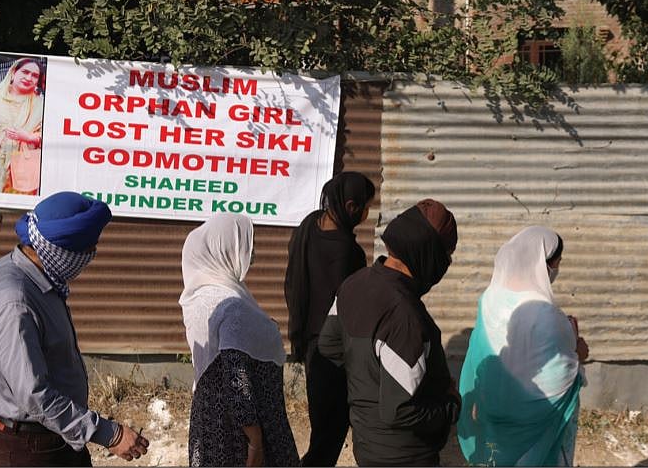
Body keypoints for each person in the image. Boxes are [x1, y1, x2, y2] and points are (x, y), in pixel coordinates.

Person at [0, 191, 149, 466]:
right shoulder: (15, 300)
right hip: (30, 450)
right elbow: (34, 395)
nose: (91, 256)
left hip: (54, 439)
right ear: (60, 253)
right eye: (86, 251)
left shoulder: (31, 276)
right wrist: (109, 434)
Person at [318, 199, 460, 467]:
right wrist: (450, 404)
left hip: (367, 444)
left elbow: (328, 345)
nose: (448, 263)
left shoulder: (353, 285)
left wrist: (368, 380)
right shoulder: (404, 316)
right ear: (427, 252)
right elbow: (399, 410)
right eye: (447, 254)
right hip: (405, 457)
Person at [458, 226, 588, 467]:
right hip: (535, 424)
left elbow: (480, 350)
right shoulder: (547, 315)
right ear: (544, 264)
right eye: (557, 263)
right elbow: (562, 370)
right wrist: (578, 352)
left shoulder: (489, 298)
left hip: (493, 406)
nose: (557, 270)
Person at [180, 213, 300, 467]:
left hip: (209, 422)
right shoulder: (231, 306)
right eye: (246, 244)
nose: (251, 252)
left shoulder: (201, 297)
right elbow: (237, 378)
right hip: (239, 436)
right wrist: (256, 442)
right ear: (224, 249)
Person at [283, 171, 376, 466]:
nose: (366, 213)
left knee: (322, 427)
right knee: (330, 432)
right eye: (365, 206)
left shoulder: (310, 226)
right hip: (335, 352)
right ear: (351, 206)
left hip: (311, 344)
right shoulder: (349, 252)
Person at [0, 57, 45, 194]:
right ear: (14, 72)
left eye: (34, 75)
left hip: (23, 166)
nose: (29, 78)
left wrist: (29, 137)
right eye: (25, 72)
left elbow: (48, 135)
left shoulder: (40, 105)